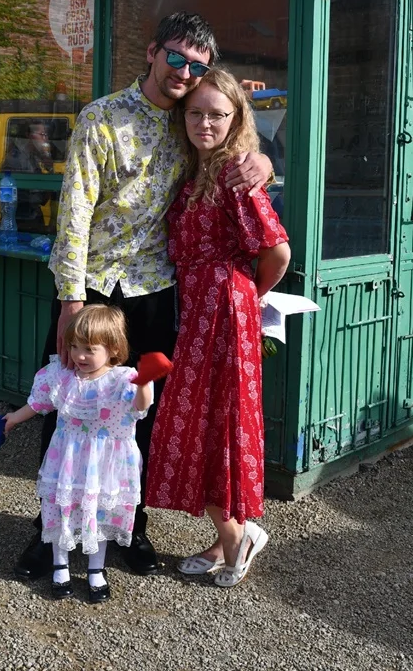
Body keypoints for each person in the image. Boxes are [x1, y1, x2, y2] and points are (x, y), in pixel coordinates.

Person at [15, 12, 273, 580]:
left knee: (142, 416)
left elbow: (230, 135)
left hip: (155, 291)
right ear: (153, 52)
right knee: (67, 409)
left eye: (197, 65)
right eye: (176, 57)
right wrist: (71, 300)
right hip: (93, 288)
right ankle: (48, 531)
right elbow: (75, 213)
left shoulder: (189, 118)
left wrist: (263, 160)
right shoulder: (102, 117)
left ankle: (129, 526)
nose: (184, 72)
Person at [146, 68, 290, 588]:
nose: (204, 123)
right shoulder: (195, 170)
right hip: (196, 313)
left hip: (225, 315)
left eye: (217, 114)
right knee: (200, 423)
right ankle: (233, 533)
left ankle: (236, 540)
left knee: (214, 425)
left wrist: (247, 296)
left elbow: (277, 252)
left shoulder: (234, 174)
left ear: (236, 118)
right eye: (196, 112)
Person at [3, 304, 166, 603]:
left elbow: (141, 407)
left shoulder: (123, 380)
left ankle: (95, 569)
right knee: (60, 509)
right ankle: (60, 565)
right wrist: (15, 417)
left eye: (89, 349)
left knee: (98, 513)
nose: (79, 356)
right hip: (67, 460)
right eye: (74, 346)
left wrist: (145, 380)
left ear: (113, 348)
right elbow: (39, 403)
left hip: (103, 465)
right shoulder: (63, 377)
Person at [0, 121, 53, 232]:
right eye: (41, 134)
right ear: (29, 136)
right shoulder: (16, 157)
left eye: (46, 135)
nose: (45, 139)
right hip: (21, 217)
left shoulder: (35, 157)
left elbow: (43, 197)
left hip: (34, 214)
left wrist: (50, 169)